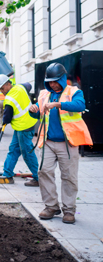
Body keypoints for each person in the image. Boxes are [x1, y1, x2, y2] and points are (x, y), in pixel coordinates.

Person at [29, 63, 92, 224]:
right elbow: (38, 113)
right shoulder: (44, 94)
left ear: (63, 79)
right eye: (50, 81)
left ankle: (69, 210)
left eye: (55, 81)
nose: (52, 84)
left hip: (68, 142)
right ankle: (51, 206)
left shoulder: (74, 91)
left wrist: (58, 104)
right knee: (43, 171)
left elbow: (80, 106)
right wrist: (33, 109)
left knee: (69, 177)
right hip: (48, 142)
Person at [0, 74, 39, 187]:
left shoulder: (8, 100)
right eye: (0, 89)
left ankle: (38, 177)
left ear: (8, 84)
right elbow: (28, 85)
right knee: (13, 149)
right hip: (25, 124)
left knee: (27, 153)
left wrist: (2, 123)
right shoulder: (20, 87)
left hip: (23, 127)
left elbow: (7, 119)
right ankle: (7, 173)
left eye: (2, 88)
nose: (2, 91)